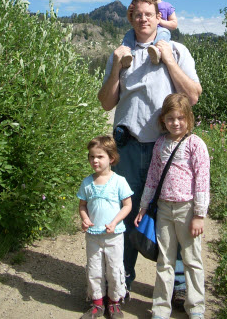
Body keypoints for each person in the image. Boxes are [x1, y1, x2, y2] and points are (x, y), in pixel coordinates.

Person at [97, 0, 202, 309]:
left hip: (166, 150)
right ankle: (121, 282)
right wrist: (117, 67)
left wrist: (169, 60)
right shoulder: (121, 54)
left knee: (174, 218)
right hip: (127, 146)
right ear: (130, 19)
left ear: (159, 17)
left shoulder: (176, 50)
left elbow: (193, 95)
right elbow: (106, 102)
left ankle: (178, 287)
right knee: (126, 216)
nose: (143, 19)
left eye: (149, 14)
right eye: (137, 15)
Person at [134, 93, 210, 319]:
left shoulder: (195, 144)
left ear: (189, 118)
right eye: (170, 119)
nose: (176, 123)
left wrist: (199, 214)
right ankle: (160, 309)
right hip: (164, 210)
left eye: (180, 118)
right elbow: (152, 177)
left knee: (192, 259)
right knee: (164, 260)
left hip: (187, 209)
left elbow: (202, 180)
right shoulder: (160, 144)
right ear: (163, 120)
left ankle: (196, 307)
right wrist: (144, 206)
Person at [77, 135, 133, 319]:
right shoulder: (87, 182)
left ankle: (115, 302)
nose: (95, 160)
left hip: (114, 235)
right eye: (92, 156)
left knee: (115, 269)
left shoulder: (119, 181)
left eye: (100, 156)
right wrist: (85, 219)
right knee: (94, 269)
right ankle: (97, 302)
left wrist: (115, 222)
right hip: (93, 236)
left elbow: (127, 205)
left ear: (111, 158)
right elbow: (83, 205)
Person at [121, 0, 178, 67]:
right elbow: (133, 21)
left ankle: (157, 52)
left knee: (163, 33)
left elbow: (174, 24)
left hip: (160, 29)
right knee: (129, 34)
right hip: (144, 32)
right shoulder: (138, 5)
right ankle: (128, 54)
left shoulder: (167, 6)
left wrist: (160, 21)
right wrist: (129, 13)